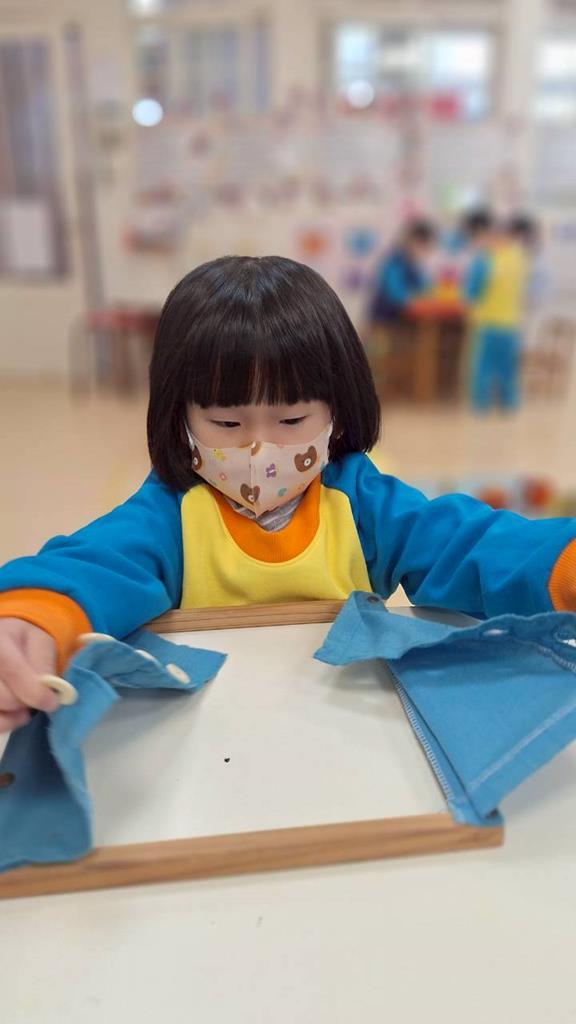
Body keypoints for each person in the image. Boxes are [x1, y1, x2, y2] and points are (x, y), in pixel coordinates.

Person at [1, 254, 576, 734]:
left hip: (348, 730)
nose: (260, 447)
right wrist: (32, 619)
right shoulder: (171, 511)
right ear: (179, 417)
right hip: (208, 740)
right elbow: (95, 563)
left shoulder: (362, 501)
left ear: (337, 411)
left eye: (292, 420)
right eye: (227, 423)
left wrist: (563, 566)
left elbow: (468, 544)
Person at [462, 208, 529, 412]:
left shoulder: (485, 261)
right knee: (508, 368)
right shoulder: (518, 258)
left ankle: (481, 405)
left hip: (487, 323)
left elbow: (471, 293)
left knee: (482, 368)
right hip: (511, 324)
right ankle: (509, 404)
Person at [368, 219, 437, 324]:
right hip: (386, 318)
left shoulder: (414, 265)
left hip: (405, 317)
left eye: (426, 247)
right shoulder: (394, 262)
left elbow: (425, 289)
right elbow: (396, 296)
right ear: (410, 241)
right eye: (422, 245)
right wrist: (417, 299)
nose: (424, 251)